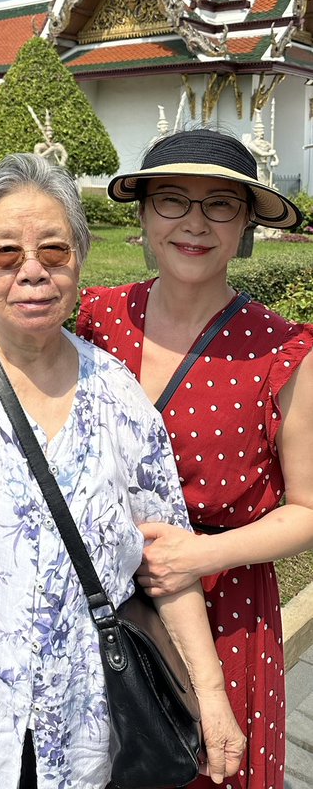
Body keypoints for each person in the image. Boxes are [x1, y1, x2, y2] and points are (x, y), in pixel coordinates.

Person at [0, 152, 244, 789]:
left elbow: (168, 564)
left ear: (80, 261)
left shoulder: (119, 397)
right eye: (7, 254)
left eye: (54, 252)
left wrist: (214, 701)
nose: (32, 272)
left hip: (85, 737)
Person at [77, 127, 313, 789]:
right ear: (145, 213)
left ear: (243, 226)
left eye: (219, 206)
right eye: (172, 200)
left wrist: (198, 555)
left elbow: (308, 510)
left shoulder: (279, 350)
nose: (194, 224)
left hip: (224, 609)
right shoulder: (99, 317)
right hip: (105, 603)